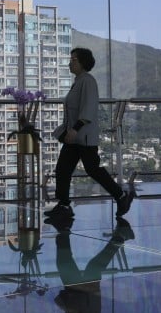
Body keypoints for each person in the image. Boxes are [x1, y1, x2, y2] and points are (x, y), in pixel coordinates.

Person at [47, 47, 133, 219]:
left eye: (74, 60)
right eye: (71, 59)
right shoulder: (79, 80)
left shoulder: (88, 81)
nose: (70, 63)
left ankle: (121, 195)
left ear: (83, 62)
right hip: (75, 136)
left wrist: (75, 129)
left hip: (83, 136)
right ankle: (63, 205)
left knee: (92, 169)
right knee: (63, 169)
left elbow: (89, 108)